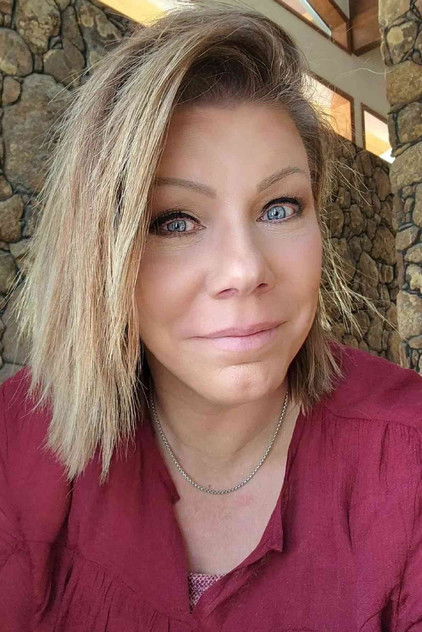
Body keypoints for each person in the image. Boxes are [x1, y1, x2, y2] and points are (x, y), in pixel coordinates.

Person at [0, 1, 421, 630]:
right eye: (175, 220)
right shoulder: (17, 444)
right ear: (100, 252)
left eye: (279, 207)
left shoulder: (407, 456)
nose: (244, 270)